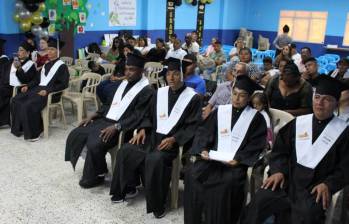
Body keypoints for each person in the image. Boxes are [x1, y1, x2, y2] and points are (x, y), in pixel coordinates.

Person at [242, 75, 349, 224]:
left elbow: (345, 168)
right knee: (259, 201)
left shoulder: (344, 133)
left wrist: (328, 184)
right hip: (287, 181)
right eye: (317, 97)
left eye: (327, 99)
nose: (320, 103)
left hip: (314, 190)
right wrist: (279, 171)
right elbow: (280, 152)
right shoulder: (298, 124)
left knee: (306, 215)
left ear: (336, 104)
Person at [109, 57, 202, 218]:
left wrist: (175, 139)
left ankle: (158, 204)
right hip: (152, 136)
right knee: (127, 150)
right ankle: (127, 188)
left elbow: (193, 126)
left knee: (155, 159)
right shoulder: (159, 93)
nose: (171, 78)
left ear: (182, 75)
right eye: (168, 75)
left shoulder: (193, 98)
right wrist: (143, 129)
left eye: (175, 74)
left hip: (171, 143)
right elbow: (148, 115)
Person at [184, 75, 267, 224]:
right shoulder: (220, 112)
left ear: (248, 98)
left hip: (234, 165)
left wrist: (239, 159)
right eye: (234, 94)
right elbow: (204, 133)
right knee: (192, 174)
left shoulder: (256, 119)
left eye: (242, 96)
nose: (237, 99)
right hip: (212, 159)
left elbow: (256, 145)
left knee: (225, 185)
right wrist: (203, 149)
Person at [65, 53, 154, 188]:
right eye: (126, 69)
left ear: (141, 71)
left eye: (132, 70)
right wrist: (93, 115)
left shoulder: (147, 90)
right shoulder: (123, 84)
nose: (127, 73)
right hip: (106, 119)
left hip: (124, 127)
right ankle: (100, 169)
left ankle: (95, 175)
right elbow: (109, 104)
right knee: (77, 133)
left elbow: (138, 116)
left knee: (95, 143)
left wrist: (117, 126)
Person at [10, 38, 69, 141]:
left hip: (52, 93)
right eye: (48, 49)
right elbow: (37, 80)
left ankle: (34, 133)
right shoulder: (46, 65)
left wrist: (48, 91)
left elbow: (63, 84)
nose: (49, 51)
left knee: (28, 104)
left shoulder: (62, 67)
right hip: (38, 89)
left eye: (52, 49)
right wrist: (28, 86)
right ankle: (21, 128)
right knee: (16, 100)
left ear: (59, 52)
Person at [0, 42, 37, 127]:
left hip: (17, 88)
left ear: (28, 53)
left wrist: (19, 68)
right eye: (18, 50)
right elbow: (3, 72)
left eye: (21, 50)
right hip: (5, 85)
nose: (18, 52)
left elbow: (27, 80)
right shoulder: (12, 60)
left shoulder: (30, 65)